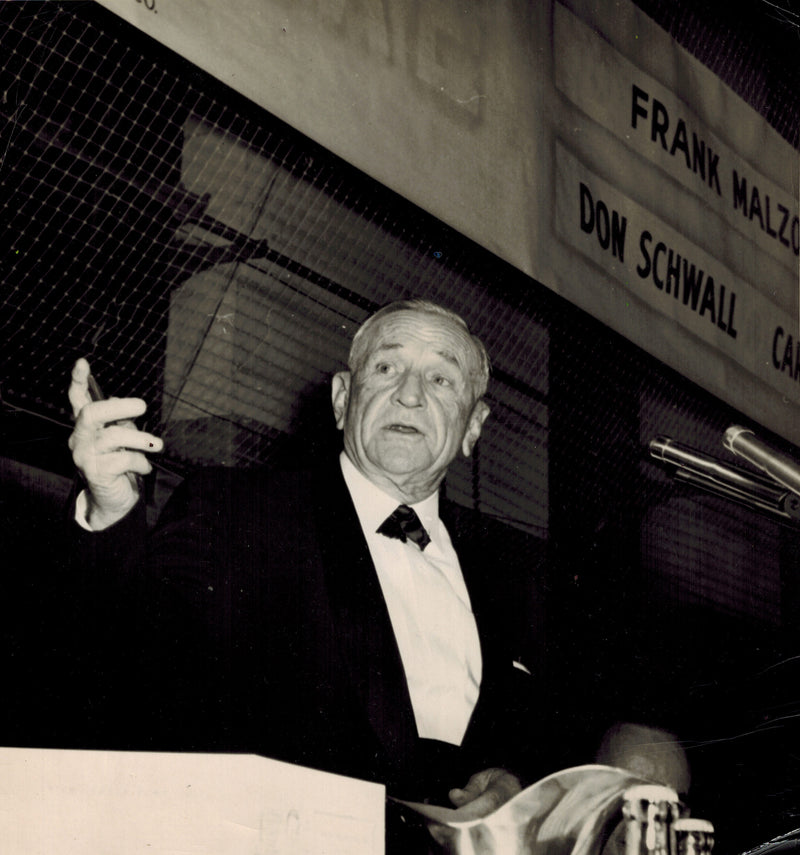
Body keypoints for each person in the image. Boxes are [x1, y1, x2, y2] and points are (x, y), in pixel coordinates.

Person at [66, 299, 559, 820]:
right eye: (387, 367)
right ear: (343, 399)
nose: (410, 395)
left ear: (474, 426)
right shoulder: (238, 511)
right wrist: (113, 516)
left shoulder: (512, 578)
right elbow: (131, 669)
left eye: (441, 380)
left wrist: (515, 783)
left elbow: (541, 742)